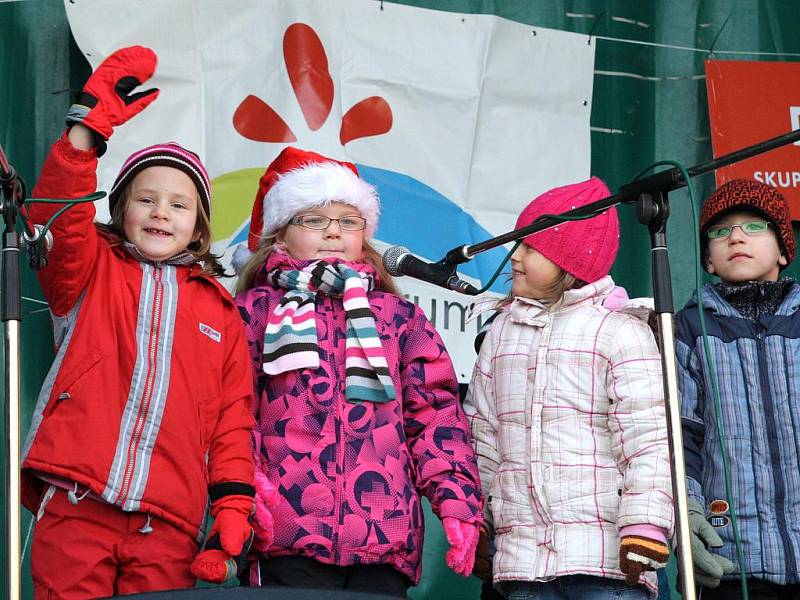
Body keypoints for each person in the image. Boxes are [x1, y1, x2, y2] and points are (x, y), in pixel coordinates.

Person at [22, 46, 256, 597]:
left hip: (169, 523)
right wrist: (85, 133)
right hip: (78, 502)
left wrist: (233, 504)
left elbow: (231, 422)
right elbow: (57, 216)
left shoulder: (221, 312)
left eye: (179, 204)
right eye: (146, 199)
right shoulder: (88, 267)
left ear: (199, 225)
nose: (160, 212)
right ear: (120, 208)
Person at [233, 146, 483, 595]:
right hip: (285, 535)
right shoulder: (253, 313)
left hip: (383, 537)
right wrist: (247, 488)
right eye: (314, 219)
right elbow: (231, 412)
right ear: (279, 234)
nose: (334, 232)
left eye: (348, 221)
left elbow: (435, 416)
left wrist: (457, 501)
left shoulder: (398, 317)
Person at [463, 177, 674, 599]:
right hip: (522, 563)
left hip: (606, 561)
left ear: (571, 262)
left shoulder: (619, 332)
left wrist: (645, 524)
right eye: (517, 244)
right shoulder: (502, 333)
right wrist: (480, 520)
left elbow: (647, 440)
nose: (515, 257)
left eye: (530, 247)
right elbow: (482, 436)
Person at [676, 178, 800, 599]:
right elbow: (682, 435)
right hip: (733, 561)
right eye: (719, 230)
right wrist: (688, 511)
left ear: (784, 248)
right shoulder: (689, 329)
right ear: (708, 260)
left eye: (754, 226)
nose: (735, 237)